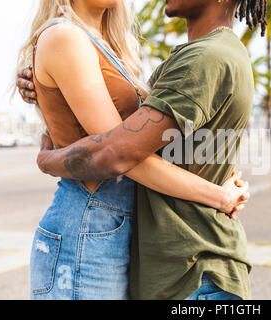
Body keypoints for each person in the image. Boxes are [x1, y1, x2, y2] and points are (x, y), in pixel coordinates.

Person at [15, 0, 251, 300]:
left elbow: (133, 147)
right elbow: (120, 155)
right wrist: (219, 195)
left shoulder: (109, 46)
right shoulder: (66, 37)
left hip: (116, 226)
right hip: (89, 219)